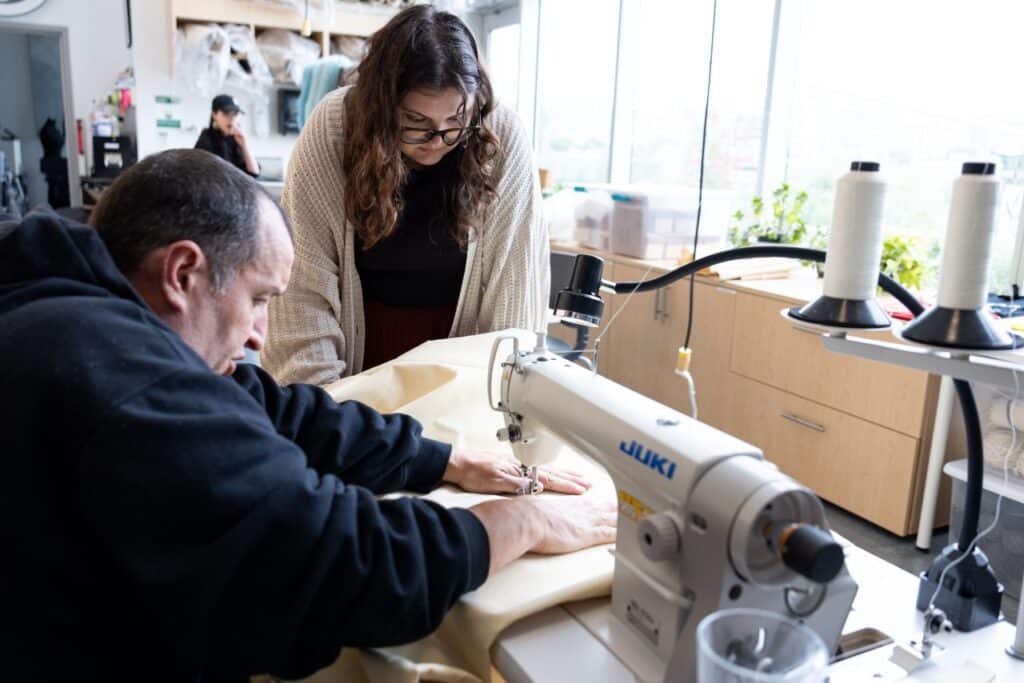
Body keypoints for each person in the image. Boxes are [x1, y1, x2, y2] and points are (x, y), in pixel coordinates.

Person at [0, 149, 615, 682]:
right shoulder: (118, 378)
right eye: (260, 299)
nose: (261, 336)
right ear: (182, 273)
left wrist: (447, 460)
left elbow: (279, 409)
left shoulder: (69, 310)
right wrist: (526, 520)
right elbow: (350, 567)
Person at [263, 5, 550, 386]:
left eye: (454, 123)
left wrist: (494, 397)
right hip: (354, 359)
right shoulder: (335, 129)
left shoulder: (498, 135)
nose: (437, 141)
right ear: (380, 107)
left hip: (460, 366)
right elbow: (301, 291)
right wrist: (325, 409)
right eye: (416, 123)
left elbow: (515, 300)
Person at [194, 94, 261, 177]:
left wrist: (244, 144)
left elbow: (254, 173)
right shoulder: (207, 139)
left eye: (235, 114)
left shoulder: (237, 139)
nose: (232, 119)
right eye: (226, 113)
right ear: (214, 114)